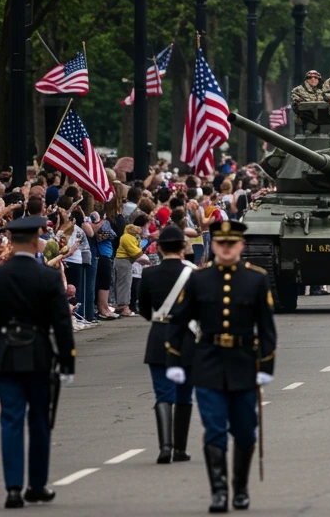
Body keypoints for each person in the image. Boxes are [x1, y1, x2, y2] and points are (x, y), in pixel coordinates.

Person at [165, 219, 276, 513]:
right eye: (221, 244)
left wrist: (267, 365)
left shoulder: (256, 279)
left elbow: (266, 327)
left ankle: (240, 489)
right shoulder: (199, 279)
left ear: (240, 245)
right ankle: (218, 492)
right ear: (213, 246)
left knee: (245, 430)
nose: (226, 249)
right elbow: (178, 320)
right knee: (214, 428)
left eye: (232, 243)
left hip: (243, 363)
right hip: (209, 362)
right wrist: (174, 360)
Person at [0, 215, 75, 508]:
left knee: (10, 420)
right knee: (40, 421)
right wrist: (68, 361)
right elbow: (61, 323)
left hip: (5, 354)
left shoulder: (1, 276)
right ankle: (37, 485)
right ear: (34, 241)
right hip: (38, 354)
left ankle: (14, 488)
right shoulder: (46, 276)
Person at [137, 224, 197, 464]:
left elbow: (142, 308)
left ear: (159, 248)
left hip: (160, 334)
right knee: (185, 394)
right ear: (184, 246)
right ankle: (180, 449)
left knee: (163, 392)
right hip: (187, 336)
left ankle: (165, 447)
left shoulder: (149, 274)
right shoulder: (193, 272)